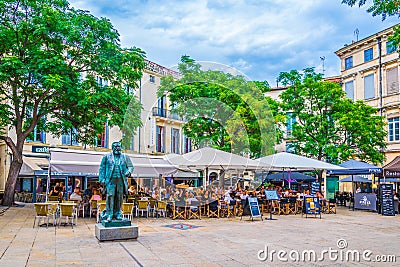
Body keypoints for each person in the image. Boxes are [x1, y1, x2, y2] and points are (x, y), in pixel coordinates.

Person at [99, 141, 134, 222]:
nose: (117, 148)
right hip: (110, 180)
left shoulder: (125, 157)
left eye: (118, 146)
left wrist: (129, 171)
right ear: (112, 148)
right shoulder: (106, 157)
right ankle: (109, 214)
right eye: (115, 146)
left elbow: (131, 166)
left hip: (121, 180)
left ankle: (118, 214)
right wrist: (102, 179)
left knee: (119, 197)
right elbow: (102, 168)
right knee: (110, 196)